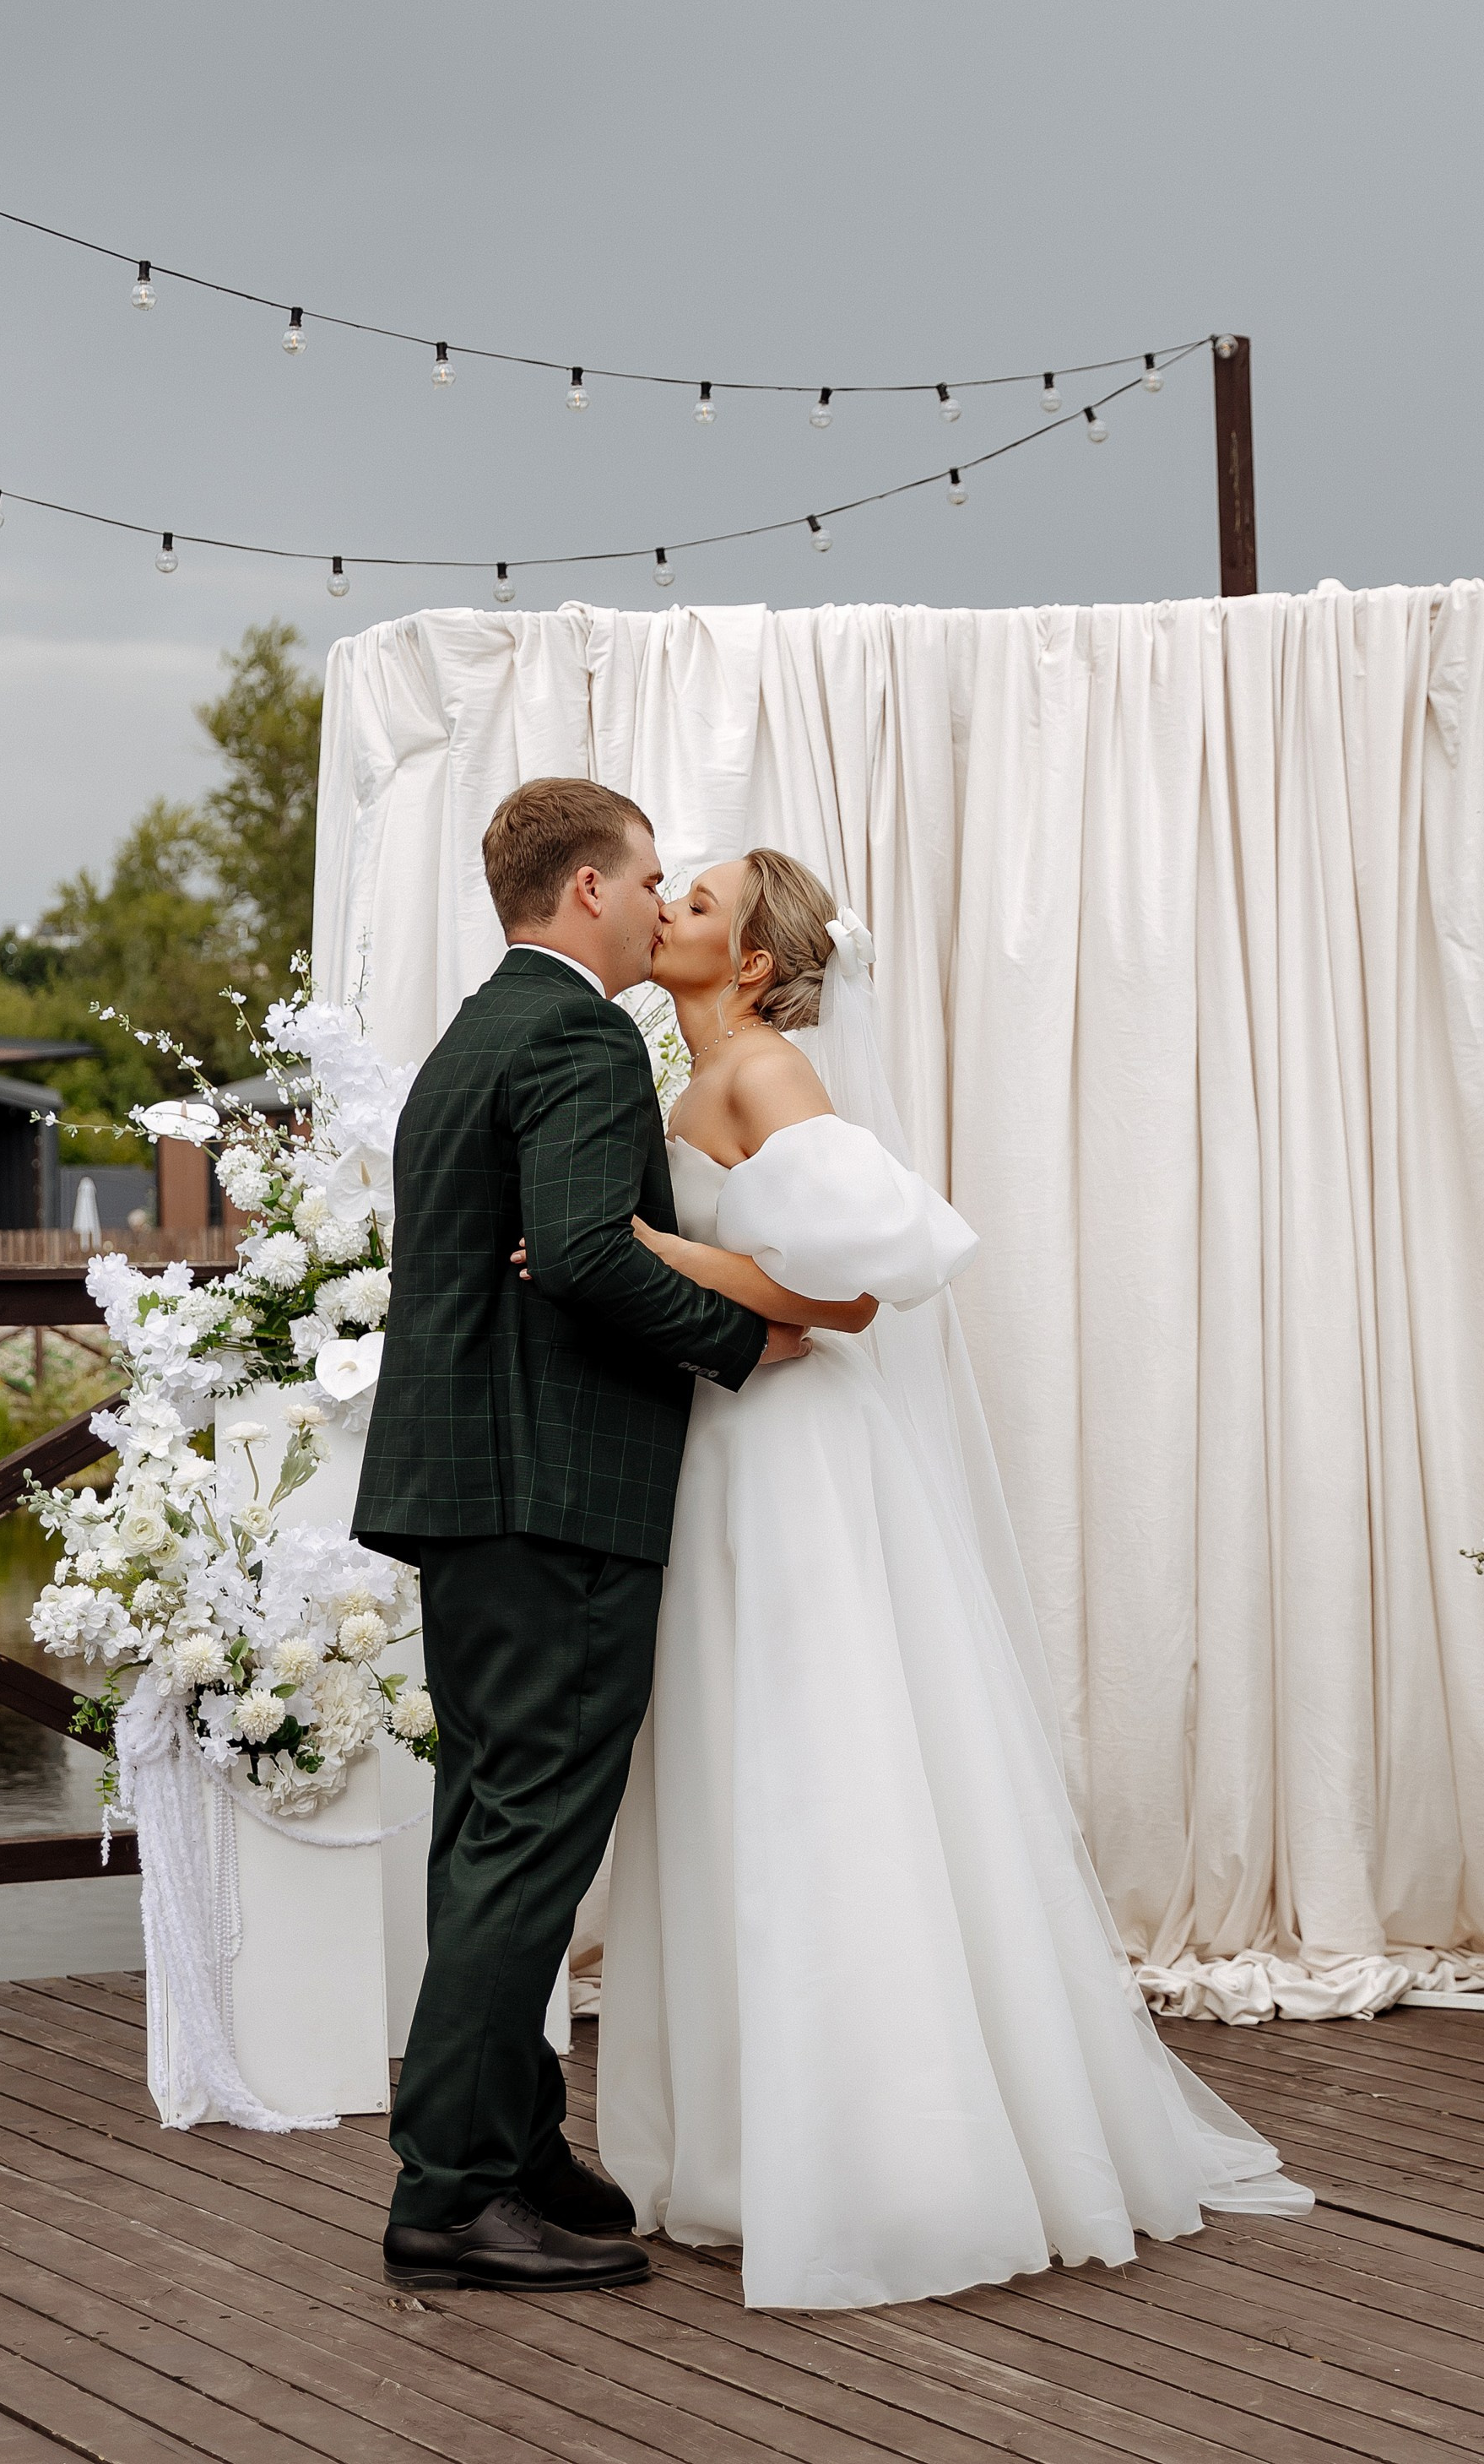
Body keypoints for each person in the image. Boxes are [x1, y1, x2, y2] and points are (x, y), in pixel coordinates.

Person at [594, 848, 1313, 2311]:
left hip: (795, 1457)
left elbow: (853, 1288)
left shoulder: (767, 1077)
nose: (667, 906)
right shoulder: (691, 1087)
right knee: (745, 1775)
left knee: (823, 1773)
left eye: (700, 902)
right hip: (729, 1443)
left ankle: (886, 2161)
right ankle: (747, 2150)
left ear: (746, 966)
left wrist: (658, 1251)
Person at [355, 779, 810, 2293]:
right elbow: (586, 1258)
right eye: (653, 876)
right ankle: (449, 2191)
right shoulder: (579, 1035)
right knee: (530, 1833)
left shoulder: (478, 1027)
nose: (662, 895)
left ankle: (513, 2131)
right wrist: (754, 1346)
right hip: (554, 1491)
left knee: (490, 1826)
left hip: (477, 1491)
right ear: (592, 893)